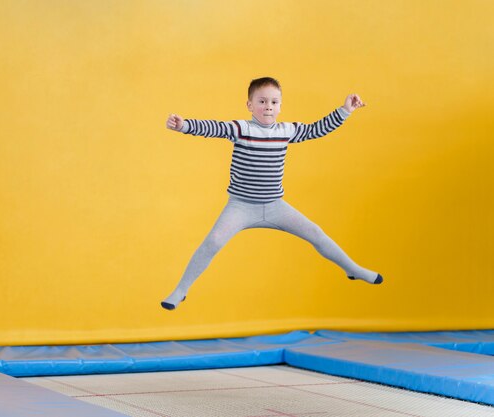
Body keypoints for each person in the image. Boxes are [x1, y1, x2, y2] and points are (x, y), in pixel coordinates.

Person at [161, 77, 383, 311]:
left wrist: (345, 110)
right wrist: (183, 125)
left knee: (316, 233)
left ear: (280, 106)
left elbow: (316, 130)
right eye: (262, 101)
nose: (268, 106)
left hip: (276, 206)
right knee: (213, 241)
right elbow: (214, 128)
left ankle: (352, 269)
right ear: (249, 105)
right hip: (241, 207)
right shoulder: (241, 129)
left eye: (274, 102)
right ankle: (181, 289)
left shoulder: (286, 131)